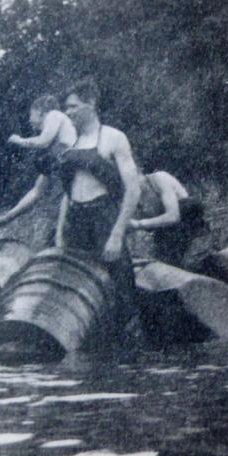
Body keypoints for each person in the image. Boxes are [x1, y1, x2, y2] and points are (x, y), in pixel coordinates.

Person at [55, 77, 141, 334]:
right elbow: (66, 194)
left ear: (91, 103)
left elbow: (133, 189)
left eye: (73, 106)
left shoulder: (113, 137)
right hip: (75, 221)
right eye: (66, 108)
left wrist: (116, 234)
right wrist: (60, 231)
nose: (68, 113)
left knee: (120, 287)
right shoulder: (70, 144)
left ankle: (128, 349)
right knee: (75, 288)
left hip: (104, 218)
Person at [0, 94, 77, 229]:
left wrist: (19, 140)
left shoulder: (54, 115)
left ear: (40, 112)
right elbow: (36, 192)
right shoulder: (54, 152)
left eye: (30, 115)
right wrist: (8, 217)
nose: (29, 120)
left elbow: (43, 141)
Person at [129, 170, 208, 267]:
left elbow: (173, 216)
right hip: (166, 238)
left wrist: (139, 223)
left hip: (190, 228)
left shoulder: (158, 179)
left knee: (191, 265)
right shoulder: (132, 197)